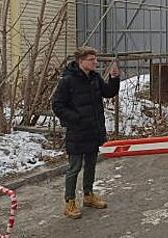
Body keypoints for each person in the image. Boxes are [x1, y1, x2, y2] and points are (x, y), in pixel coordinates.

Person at [52, 47, 120, 219]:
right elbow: (58, 106)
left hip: (94, 130)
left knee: (91, 164)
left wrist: (114, 78)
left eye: (95, 59)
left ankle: (88, 195)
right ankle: (70, 202)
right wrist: (76, 118)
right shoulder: (67, 81)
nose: (95, 62)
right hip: (77, 132)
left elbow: (109, 93)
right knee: (74, 168)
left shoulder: (95, 78)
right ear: (80, 61)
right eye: (91, 59)